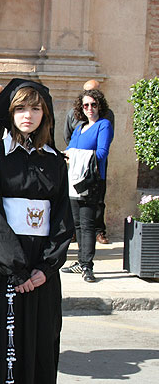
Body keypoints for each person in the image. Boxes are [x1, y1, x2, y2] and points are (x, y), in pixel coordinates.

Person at [0, 79, 73, 384]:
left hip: (41, 272)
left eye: (36, 108)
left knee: (39, 342)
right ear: (10, 113)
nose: (28, 116)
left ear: (46, 114)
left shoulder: (56, 162)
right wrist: (17, 268)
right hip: (2, 269)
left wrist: (45, 268)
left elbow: (61, 220)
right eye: (21, 109)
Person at [61, 89, 114, 283]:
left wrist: (75, 155)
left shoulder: (104, 125)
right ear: (81, 108)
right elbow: (70, 150)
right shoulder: (79, 127)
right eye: (86, 105)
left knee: (88, 224)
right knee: (77, 225)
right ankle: (80, 261)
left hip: (91, 181)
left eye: (93, 104)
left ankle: (87, 266)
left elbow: (101, 153)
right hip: (74, 180)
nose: (90, 108)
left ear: (100, 106)